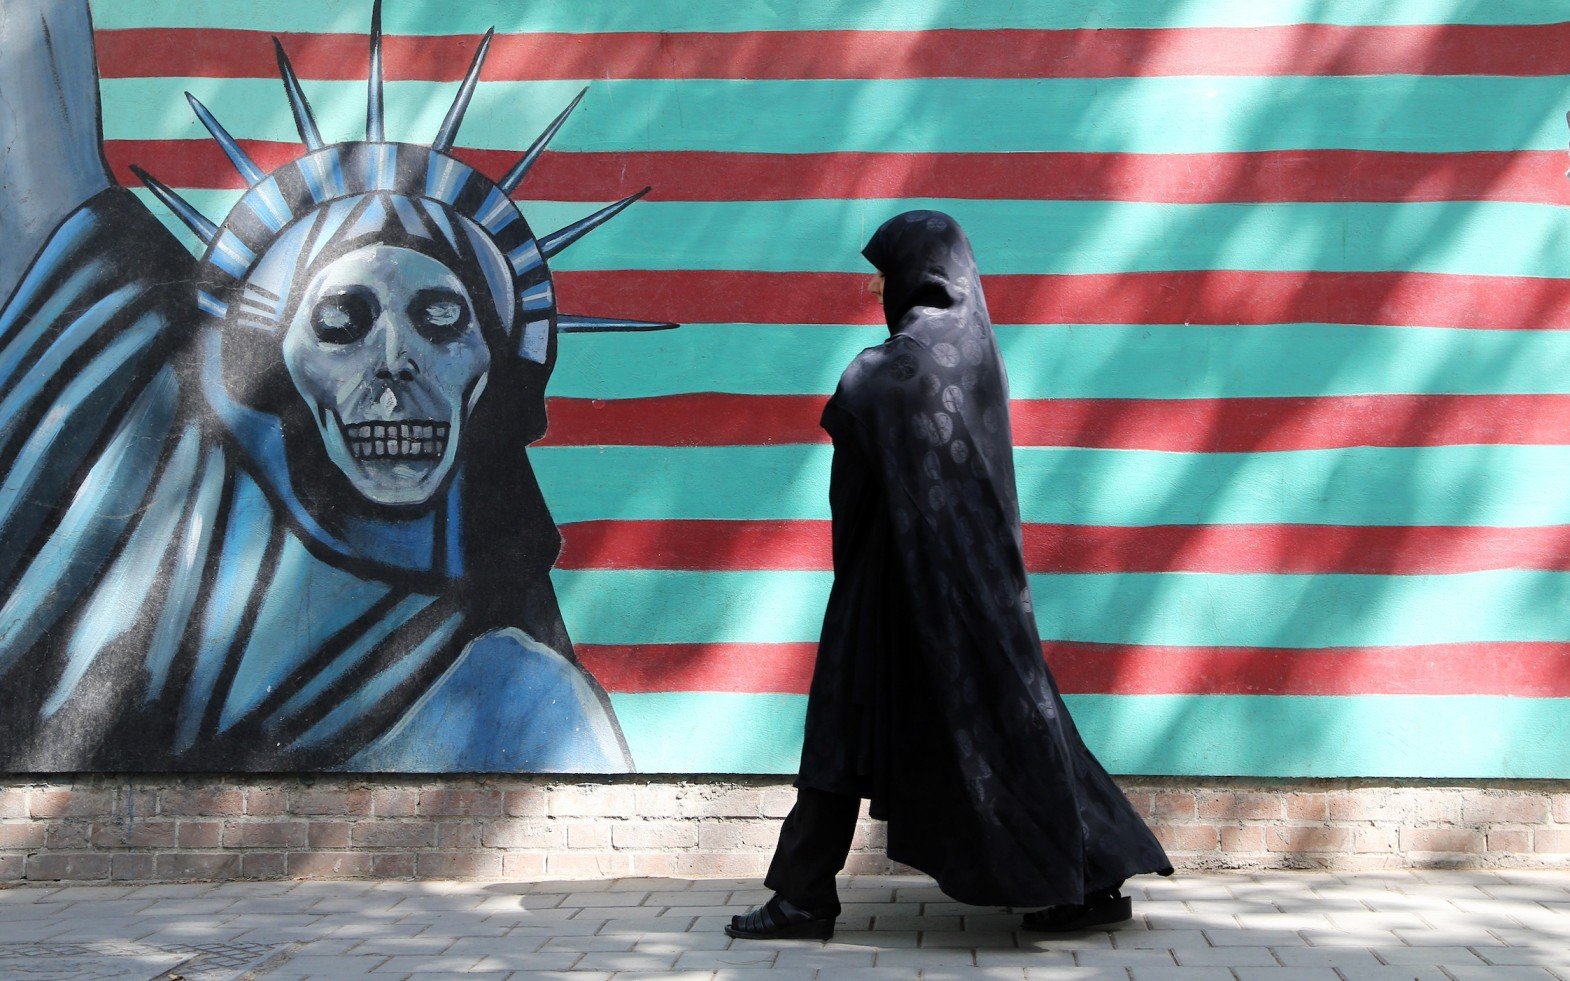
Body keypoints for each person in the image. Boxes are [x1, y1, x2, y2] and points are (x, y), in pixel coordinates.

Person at [0, 0, 670, 772]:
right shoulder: (139, 464)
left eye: (442, 317)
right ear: (272, 360)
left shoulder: (520, 700)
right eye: (342, 318)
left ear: (493, 366)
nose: (395, 361)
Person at [728, 211, 1173, 941]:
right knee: (1026, 724)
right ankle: (1091, 874)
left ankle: (805, 897)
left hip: (890, 585)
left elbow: (854, 484)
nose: (878, 287)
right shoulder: (977, 354)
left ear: (912, 275)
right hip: (985, 591)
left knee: (841, 728)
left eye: (884, 273)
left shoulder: (888, 371)